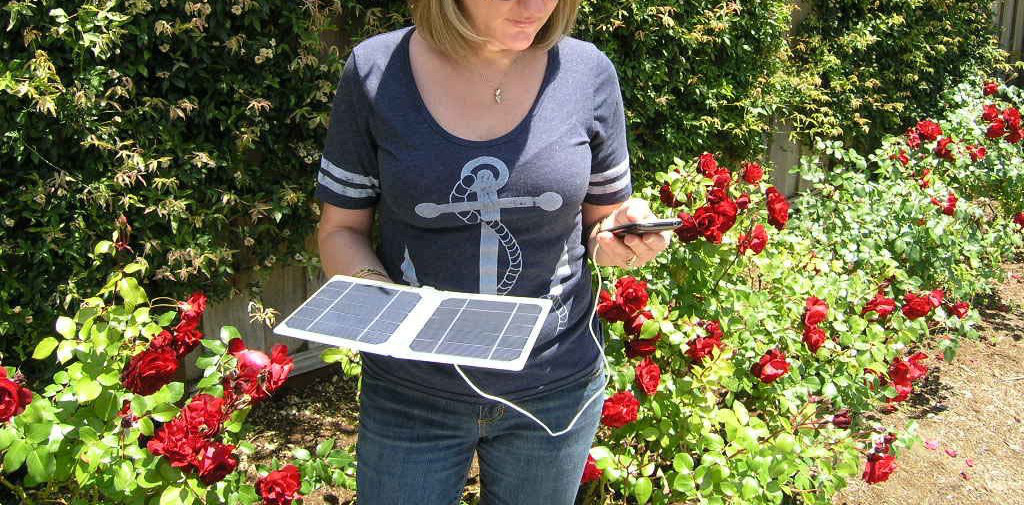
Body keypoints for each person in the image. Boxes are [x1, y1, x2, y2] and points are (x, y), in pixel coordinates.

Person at [314, 0, 671, 503]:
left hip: (555, 388)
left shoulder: (588, 73)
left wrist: (623, 237)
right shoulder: (375, 70)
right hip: (411, 394)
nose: (534, 7)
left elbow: (600, 222)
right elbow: (340, 229)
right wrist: (385, 305)